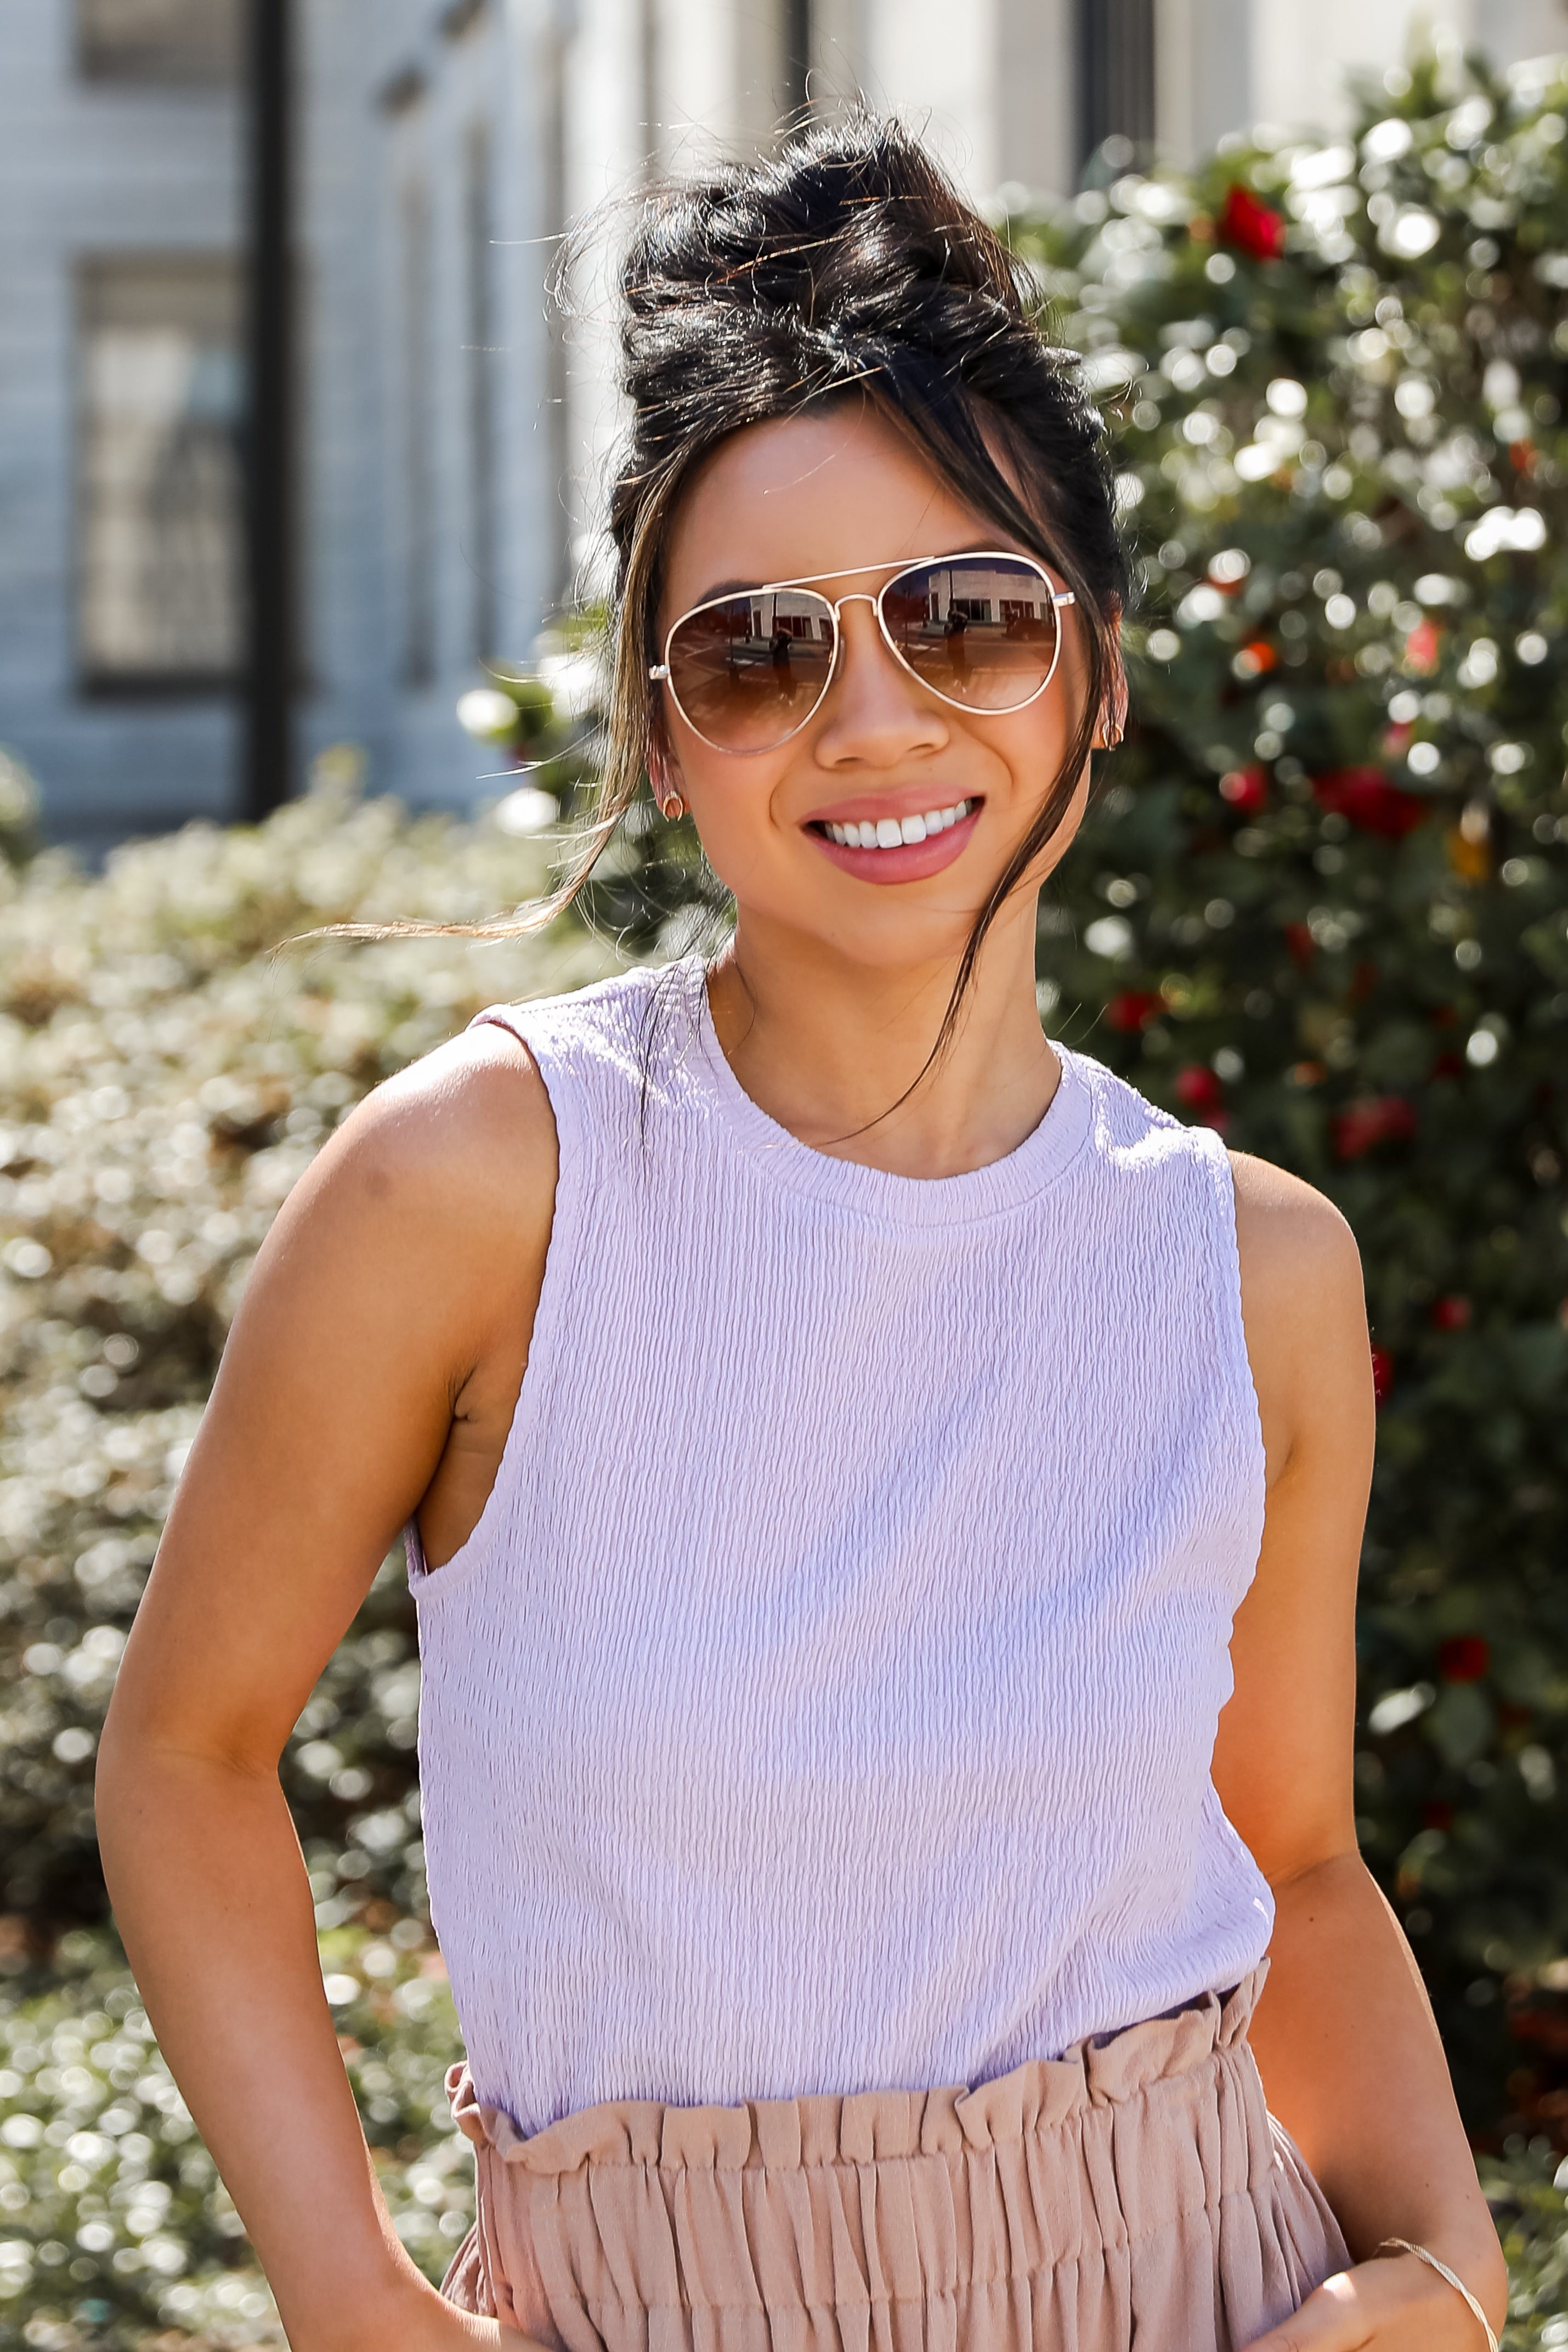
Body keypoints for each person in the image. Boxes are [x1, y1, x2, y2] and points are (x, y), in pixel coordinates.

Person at [97, 118, 1507, 2352]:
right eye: (758, 653)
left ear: (1098, 671)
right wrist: (351, 2295)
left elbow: (1297, 1864)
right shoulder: (482, 1181)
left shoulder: (1251, 1271)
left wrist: (1444, 2268)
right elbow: (182, 1755)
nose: (876, 719)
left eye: (968, 615)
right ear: (664, 739)